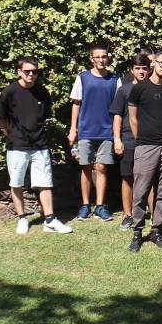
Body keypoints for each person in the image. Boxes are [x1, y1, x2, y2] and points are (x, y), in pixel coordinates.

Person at [0, 57, 72, 234]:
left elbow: (44, 117)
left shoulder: (42, 92)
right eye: (27, 71)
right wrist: (9, 135)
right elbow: (1, 118)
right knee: (16, 183)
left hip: (40, 145)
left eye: (34, 71)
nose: (31, 74)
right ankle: (22, 218)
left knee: (45, 183)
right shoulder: (9, 92)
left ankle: (50, 220)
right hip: (17, 146)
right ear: (19, 71)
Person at [127, 51, 162, 250]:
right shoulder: (139, 88)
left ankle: (157, 229)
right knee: (141, 190)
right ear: (154, 63)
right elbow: (132, 118)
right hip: (145, 145)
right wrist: (140, 140)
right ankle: (137, 230)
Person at [69, 44, 120, 221]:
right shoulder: (82, 78)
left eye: (104, 56)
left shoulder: (115, 79)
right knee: (85, 168)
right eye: (97, 57)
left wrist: (117, 135)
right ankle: (84, 205)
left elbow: (118, 110)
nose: (101, 59)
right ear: (91, 58)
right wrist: (73, 129)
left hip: (106, 131)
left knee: (102, 168)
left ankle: (99, 206)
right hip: (86, 130)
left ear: (108, 57)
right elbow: (76, 103)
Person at [111, 54, 150, 227]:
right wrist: (117, 140)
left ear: (149, 69)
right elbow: (117, 115)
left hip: (150, 141)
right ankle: (128, 215)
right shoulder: (124, 90)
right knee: (127, 178)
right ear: (132, 70)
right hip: (128, 139)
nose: (141, 72)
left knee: (150, 178)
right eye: (138, 68)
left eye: (144, 68)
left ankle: (154, 214)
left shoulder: (154, 89)